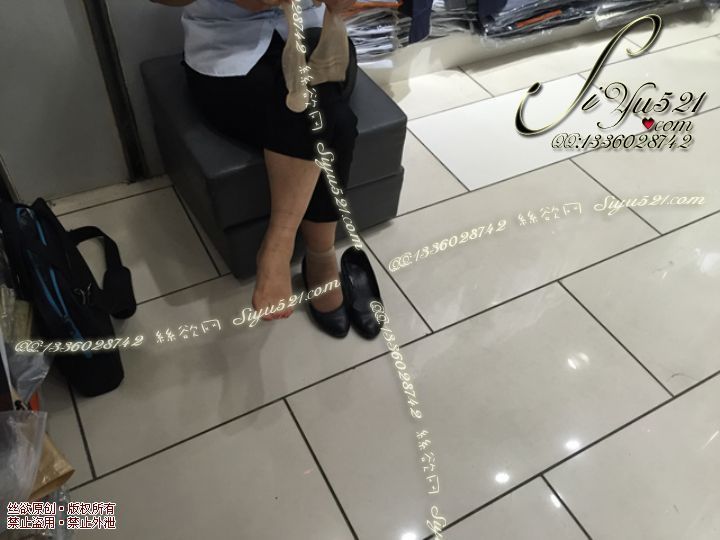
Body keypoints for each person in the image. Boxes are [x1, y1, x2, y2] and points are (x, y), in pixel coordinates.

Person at [152, 0, 358, 337]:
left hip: (318, 35)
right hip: (227, 52)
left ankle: (288, 246)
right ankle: (311, 254)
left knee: (314, 90)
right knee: (334, 120)